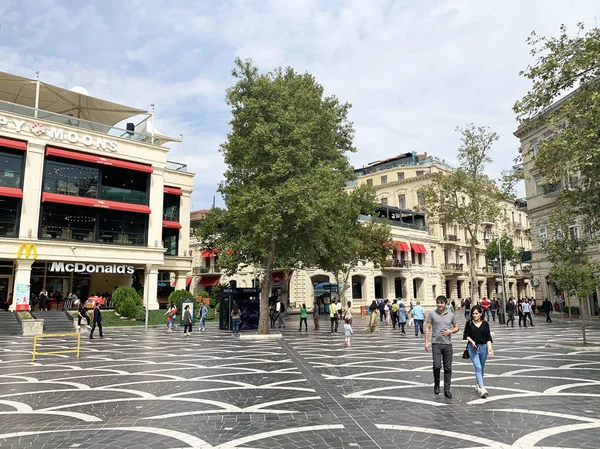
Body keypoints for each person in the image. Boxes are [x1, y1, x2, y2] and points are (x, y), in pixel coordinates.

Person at [425, 296, 459, 398]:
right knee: (437, 365)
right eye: (438, 303)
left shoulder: (451, 315)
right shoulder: (432, 314)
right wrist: (426, 342)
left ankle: (447, 389)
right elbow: (427, 327)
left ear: (445, 303)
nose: (440, 305)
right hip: (436, 343)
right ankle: (436, 383)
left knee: (448, 368)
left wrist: (451, 331)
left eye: (442, 303)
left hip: (447, 344)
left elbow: (457, 327)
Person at [463, 305, 494, 398]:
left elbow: (488, 337)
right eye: (473, 314)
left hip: (483, 347)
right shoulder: (469, 323)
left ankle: (478, 385)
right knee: (478, 367)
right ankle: (482, 388)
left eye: (476, 313)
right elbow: (466, 335)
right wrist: (472, 342)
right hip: (473, 348)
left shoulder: (485, 324)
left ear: (481, 314)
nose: (474, 315)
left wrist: (490, 348)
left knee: (481, 367)